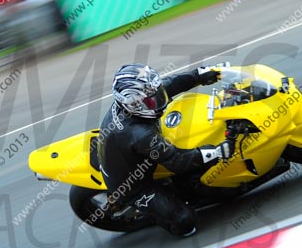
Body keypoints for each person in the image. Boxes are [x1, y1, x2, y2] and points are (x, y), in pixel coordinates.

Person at [97, 63, 233, 237]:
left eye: (157, 92)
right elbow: (177, 162)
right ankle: (158, 214)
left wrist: (199, 74)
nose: (160, 99)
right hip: (132, 186)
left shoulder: (139, 101)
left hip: (125, 153)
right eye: (152, 99)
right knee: (185, 222)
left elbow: (170, 84)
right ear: (134, 104)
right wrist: (216, 152)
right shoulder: (140, 134)